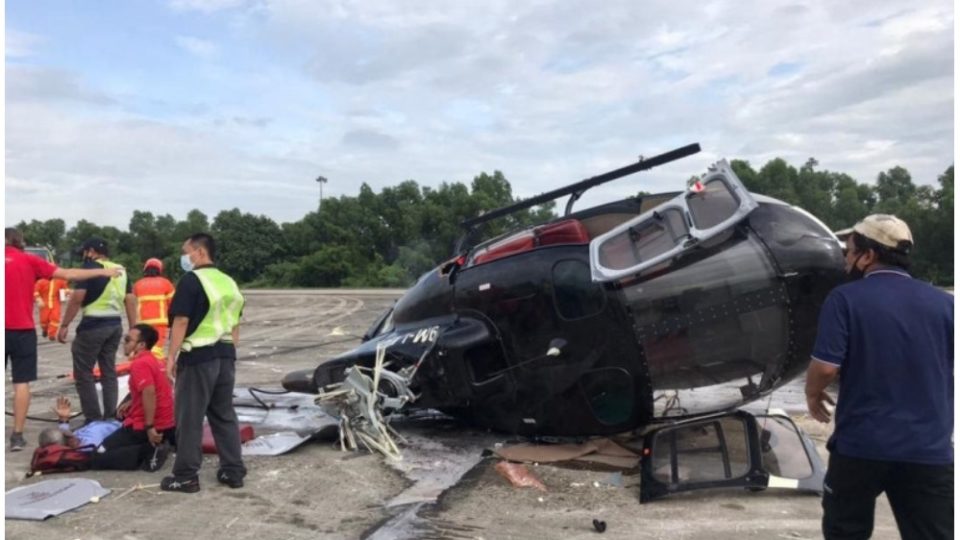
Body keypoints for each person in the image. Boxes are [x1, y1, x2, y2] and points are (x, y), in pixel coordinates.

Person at [806, 214, 953, 540]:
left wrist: (812, 394)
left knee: (846, 532)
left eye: (849, 251)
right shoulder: (947, 305)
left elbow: (826, 368)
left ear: (868, 256)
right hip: (929, 451)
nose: (845, 260)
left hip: (861, 447)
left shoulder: (844, 299)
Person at [5, 227, 122, 451]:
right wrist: (102, 273)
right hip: (22, 329)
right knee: (21, 383)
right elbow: (69, 274)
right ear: (20, 241)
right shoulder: (29, 260)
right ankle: (17, 436)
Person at [161, 233, 245, 493]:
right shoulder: (228, 282)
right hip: (225, 355)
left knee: (190, 417)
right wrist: (229, 349)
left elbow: (181, 321)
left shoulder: (191, 281)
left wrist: (171, 356)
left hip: (198, 356)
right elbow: (235, 322)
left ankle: (186, 475)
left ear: (199, 252)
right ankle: (233, 470)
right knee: (224, 415)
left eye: (186, 251)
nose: (184, 257)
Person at [57, 237, 137, 422]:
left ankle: (92, 419)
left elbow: (77, 297)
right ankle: (110, 416)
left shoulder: (90, 269)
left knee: (84, 373)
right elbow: (130, 299)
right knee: (108, 371)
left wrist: (65, 324)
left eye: (85, 252)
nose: (84, 256)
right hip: (114, 325)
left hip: (93, 326)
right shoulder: (121, 270)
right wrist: (133, 328)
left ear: (91, 252)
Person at [93, 323, 175, 471]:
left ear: (141, 344)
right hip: (166, 421)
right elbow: (156, 389)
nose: (124, 343)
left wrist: (149, 427)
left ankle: (147, 450)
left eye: (127, 340)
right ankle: (156, 444)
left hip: (148, 424)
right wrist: (133, 401)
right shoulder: (153, 360)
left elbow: (149, 392)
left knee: (99, 453)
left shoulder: (140, 364)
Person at [133, 257, 176, 360]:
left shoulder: (137, 284)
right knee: (156, 348)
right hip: (160, 322)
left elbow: (133, 304)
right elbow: (173, 304)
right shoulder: (166, 283)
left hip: (142, 323)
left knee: (144, 347)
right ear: (159, 270)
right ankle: (155, 367)